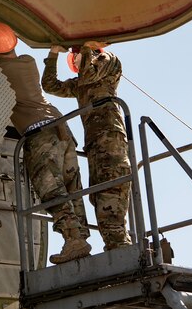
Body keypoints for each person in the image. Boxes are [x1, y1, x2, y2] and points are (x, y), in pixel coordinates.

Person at [0, 22, 91, 264]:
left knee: (51, 189)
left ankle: (73, 240)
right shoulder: (28, 62)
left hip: (39, 134)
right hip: (61, 128)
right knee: (73, 187)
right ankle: (81, 237)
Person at [42, 43, 132, 251]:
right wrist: (53, 54)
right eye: (72, 58)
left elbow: (90, 74)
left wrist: (85, 48)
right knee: (99, 194)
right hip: (94, 143)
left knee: (112, 188)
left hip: (111, 138)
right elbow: (50, 85)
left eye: (74, 57)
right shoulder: (81, 83)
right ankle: (114, 245)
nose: (73, 60)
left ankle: (119, 244)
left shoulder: (108, 61)